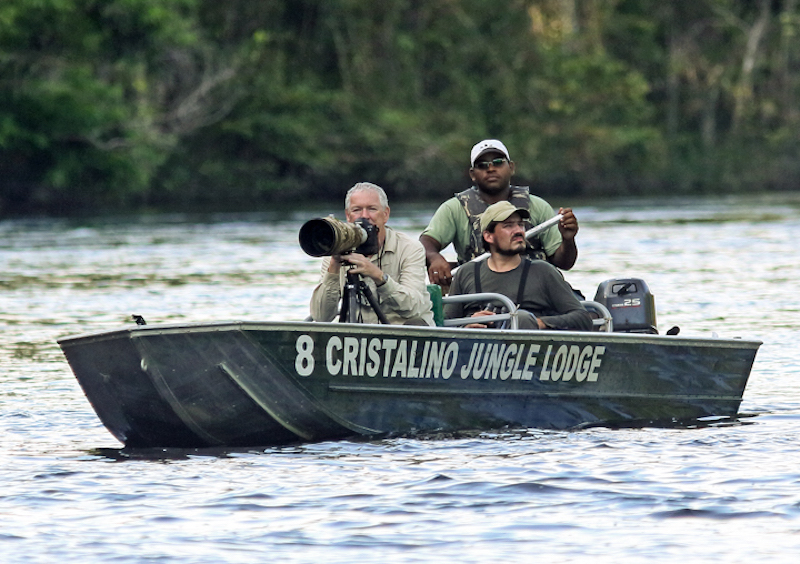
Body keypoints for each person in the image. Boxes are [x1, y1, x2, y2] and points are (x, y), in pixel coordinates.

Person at [420, 139, 579, 287]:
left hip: (537, 287)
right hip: (482, 290)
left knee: (589, 313)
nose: (490, 169)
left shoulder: (538, 206)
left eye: (498, 162)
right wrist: (434, 258)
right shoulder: (453, 209)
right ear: (472, 174)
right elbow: (426, 242)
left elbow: (565, 263)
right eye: (482, 165)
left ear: (511, 167)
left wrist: (568, 239)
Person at [444, 201, 592, 331]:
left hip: (530, 356)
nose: (518, 231)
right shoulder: (466, 273)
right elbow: (442, 324)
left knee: (522, 318)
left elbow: (582, 318)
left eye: (520, 225)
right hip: (474, 355)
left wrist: (537, 322)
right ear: (488, 236)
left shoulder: (543, 271)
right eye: (508, 226)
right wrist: (466, 325)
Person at [310, 182, 435, 326]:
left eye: (372, 209)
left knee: (415, 323)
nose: (365, 216)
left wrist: (378, 277)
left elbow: (413, 308)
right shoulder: (336, 252)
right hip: (357, 341)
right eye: (357, 210)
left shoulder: (410, 248)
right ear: (348, 216)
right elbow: (321, 317)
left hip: (402, 336)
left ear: (385, 214)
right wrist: (334, 265)